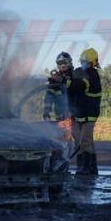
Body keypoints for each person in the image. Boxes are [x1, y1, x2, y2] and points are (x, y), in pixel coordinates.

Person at [67, 47, 102, 175]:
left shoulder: (92, 75)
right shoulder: (80, 72)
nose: (83, 63)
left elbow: (79, 85)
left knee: (85, 141)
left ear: (92, 63)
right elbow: (73, 87)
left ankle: (86, 168)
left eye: (86, 61)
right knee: (80, 141)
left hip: (89, 114)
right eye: (82, 61)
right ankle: (89, 167)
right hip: (79, 114)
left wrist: (66, 82)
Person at [42, 52, 74, 120]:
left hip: (73, 117)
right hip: (60, 118)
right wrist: (46, 111)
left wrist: (61, 79)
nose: (62, 65)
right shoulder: (55, 79)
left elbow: (73, 86)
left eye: (65, 62)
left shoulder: (75, 75)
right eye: (60, 62)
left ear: (69, 62)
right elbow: (49, 95)